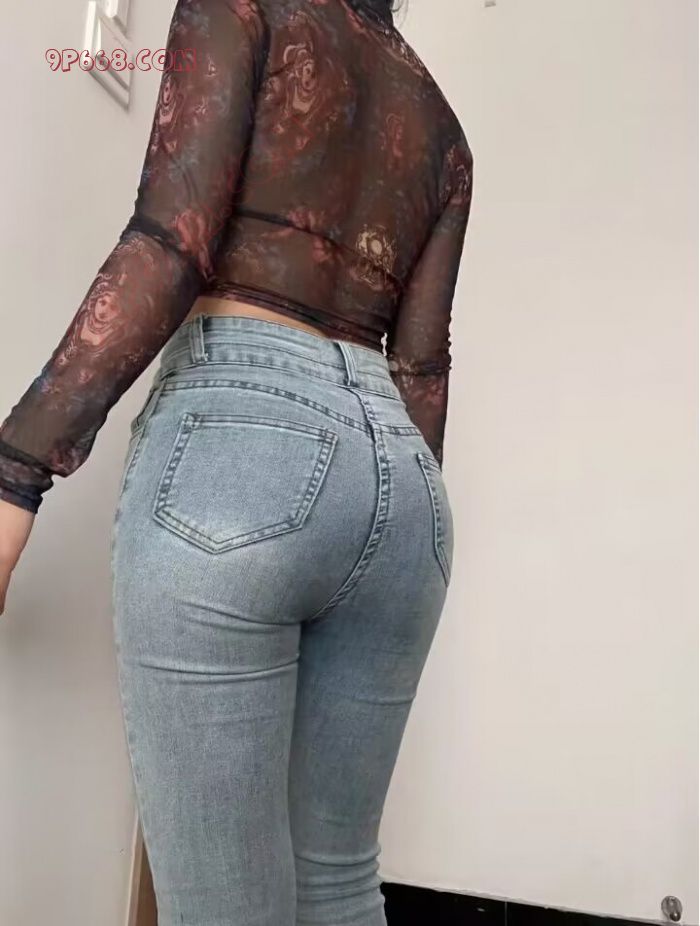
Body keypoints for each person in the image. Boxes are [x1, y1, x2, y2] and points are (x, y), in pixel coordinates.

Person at [0, 0, 473, 921]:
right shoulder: (443, 127)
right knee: (340, 886)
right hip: (405, 486)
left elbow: (173, 244)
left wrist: (16, 472)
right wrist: (391, 524)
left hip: (246, 440)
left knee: (227, 905)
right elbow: (421, 366)